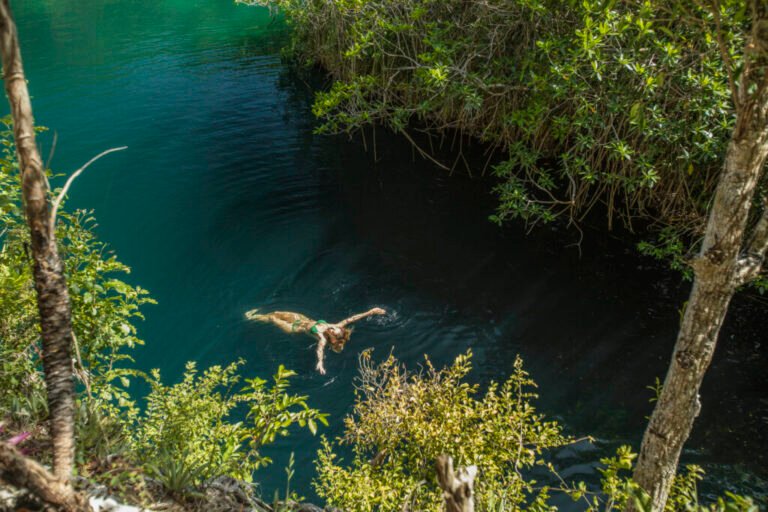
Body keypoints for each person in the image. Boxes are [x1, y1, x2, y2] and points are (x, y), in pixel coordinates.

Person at [245, 307, 386, 374]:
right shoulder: (335, 326)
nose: (332, 327)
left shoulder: (322, 338)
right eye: (334, 328)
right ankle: (259, 316)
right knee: (276, 312)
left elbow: (319, 349)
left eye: (333, 330)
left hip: (293, 328)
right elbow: (352, 319)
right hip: (302, 319)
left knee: (272, 319)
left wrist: (320, 362)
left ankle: (251, 318)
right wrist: (371, 312)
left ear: (332, 335)